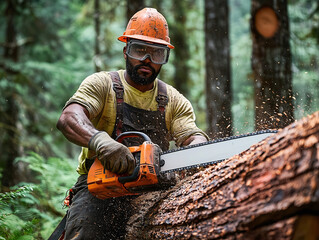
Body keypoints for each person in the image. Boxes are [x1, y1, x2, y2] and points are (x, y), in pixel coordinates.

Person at [57, 7, 208, 240]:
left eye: (156, 54)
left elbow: (191, 134)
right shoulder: (102, 84)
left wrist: (196, 148)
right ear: (126, 51)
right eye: (140, 50)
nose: (147, 60)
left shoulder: (173, 100)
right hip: (100, 189)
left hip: (154, 189)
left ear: (164, 58)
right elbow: (69, 118)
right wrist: (101, 142)